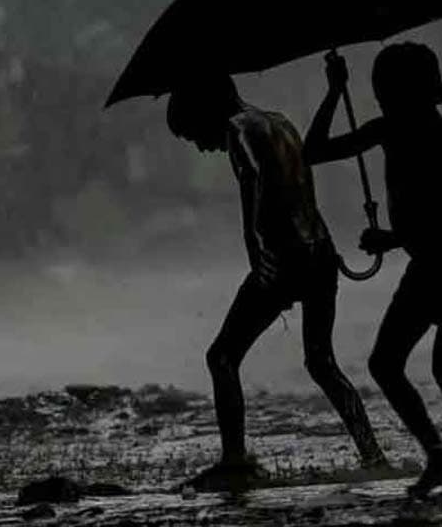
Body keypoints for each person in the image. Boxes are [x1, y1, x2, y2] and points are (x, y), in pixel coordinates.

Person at [165, 75, 386, 491]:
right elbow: (304, 174)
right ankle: (373, 454)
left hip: (284, 257)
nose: (199, 145)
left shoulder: (238, 128)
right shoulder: (279, 121)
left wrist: (261, 248)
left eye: (195, 134)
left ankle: (234, 460)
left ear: (207, 112)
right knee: (322, 362)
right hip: (321, 251)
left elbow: (264, 184)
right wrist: (334, 93)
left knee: (222, 357)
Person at [304, 43, 442, 503]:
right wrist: (334, 91)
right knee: (389, 364)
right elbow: (313, 152)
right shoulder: (389, 129)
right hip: (430, 263)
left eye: (396, 94)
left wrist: (392, 238)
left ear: (435, 94)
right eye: (388, 96)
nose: (393, 105)